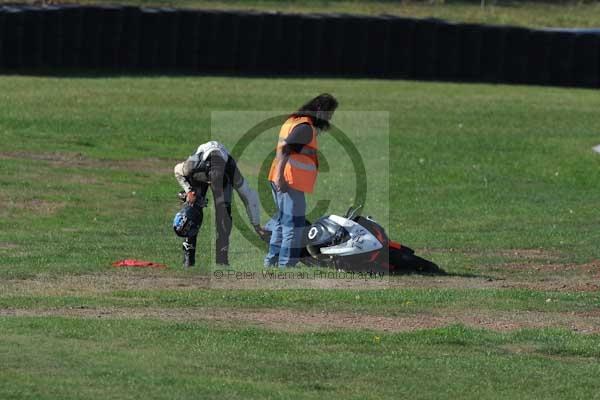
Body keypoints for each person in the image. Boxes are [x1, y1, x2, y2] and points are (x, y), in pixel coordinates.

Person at [264, 93, 339, 268]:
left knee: (282, 223)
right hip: (289, 181)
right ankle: (286, 264)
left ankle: (271, 261)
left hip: (281, 178)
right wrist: (281, 177)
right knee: (293, 225)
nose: (329, 118)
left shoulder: (295, 121)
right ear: (319, 110)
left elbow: (287, 149)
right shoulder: (305, 127)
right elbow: (284, 151)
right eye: (329, 113)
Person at [174, 141, 263, 267]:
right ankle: (188, 258)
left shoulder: (231, 170)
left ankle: (222, 259)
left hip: (218, 171)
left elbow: (248, 196)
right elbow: (177, 170)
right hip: (201, 171)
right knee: (192, 211)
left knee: (224, 215)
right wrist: (189, 191)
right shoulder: (193, 165)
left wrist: (256, 225)